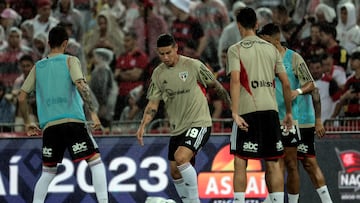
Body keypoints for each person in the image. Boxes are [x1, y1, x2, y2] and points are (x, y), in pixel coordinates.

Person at [17, 26, 108, 203]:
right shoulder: (70, 60)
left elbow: (21, 97)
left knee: (47, 173)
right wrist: (93, 114)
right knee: (95, 162)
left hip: (50, 127)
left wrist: (28, 122)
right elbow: (81, 85)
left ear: (48, 43)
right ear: (65, 44)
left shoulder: (38, 67)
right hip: (72, 122)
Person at [136, 33, 231, 202]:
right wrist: (143, 125)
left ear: (176, 49)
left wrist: (233, 110)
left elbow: (216, 86)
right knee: (174, 170)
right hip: (178, 128)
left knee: (181, 158)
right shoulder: (158, 74)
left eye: (168, 53)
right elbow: (152, 104)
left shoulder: (193, 65)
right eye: (161, 54)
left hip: (199, 123)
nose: (165, 57)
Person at [227, 8, 292, 203]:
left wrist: (235, 112)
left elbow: (236, 81)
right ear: (256, 25)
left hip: (247, 112)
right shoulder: (271, 49)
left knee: (240, 161)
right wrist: (288, 112)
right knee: (273, 162)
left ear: (238, 26)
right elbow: (286, 83)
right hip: (271, 112)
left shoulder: (235, 49)